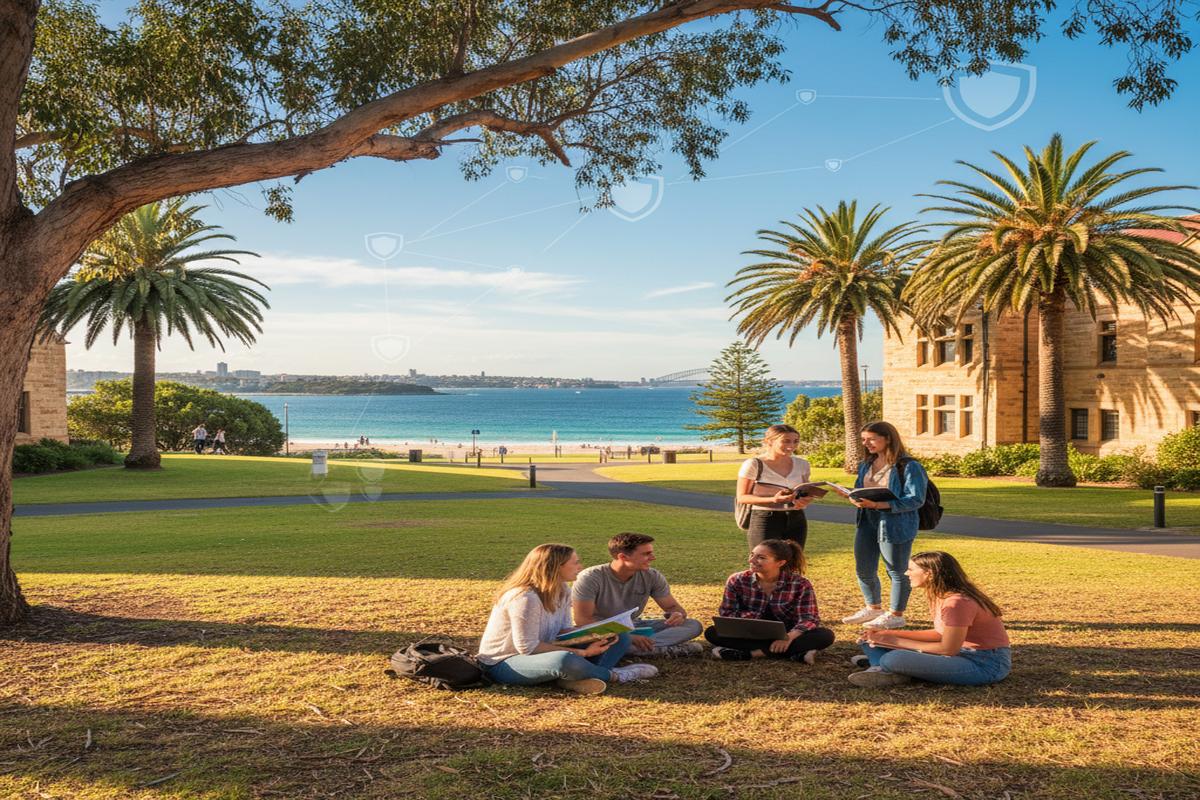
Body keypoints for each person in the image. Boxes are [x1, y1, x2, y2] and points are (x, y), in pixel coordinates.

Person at [477, 543, 659, 694]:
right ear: (555, 567)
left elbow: (563, 631)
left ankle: (574, 678)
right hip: (505, 662)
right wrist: (582, 653)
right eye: (575, 563)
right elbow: (528, 647)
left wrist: (597, 634)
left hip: (544, 651)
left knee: (620, 638)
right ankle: (614, 676)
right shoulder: (525, 598)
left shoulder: (563, 589)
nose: (580, 567)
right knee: (564, 660)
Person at [848, 551, 1011, 688]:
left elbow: (948, 649)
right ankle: (884, 667)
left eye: (911, 569)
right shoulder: (942, 596)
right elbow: (940, 634)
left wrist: (894, 641)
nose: (906, 573)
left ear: (930, 573)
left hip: (983, 664)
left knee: (893, 658)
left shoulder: (957, 603)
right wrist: (887, 634)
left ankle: (883, 666)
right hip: (958, 655)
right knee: (868, 640)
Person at [841, 421, 929, 631]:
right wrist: (853, 497)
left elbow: (916, 499)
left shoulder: (909, 466)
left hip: (895, 523)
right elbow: (859, 488)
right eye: (863, 439)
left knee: (896, 570)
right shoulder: (866, 464)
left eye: (871, 439)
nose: (866, 443)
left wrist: (880, 504)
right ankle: (873, 608)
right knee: (863, 568)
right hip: (867, 521)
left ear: (888, 438)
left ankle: (896, 615)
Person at [572, 533, 704, 658]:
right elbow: (583, 621)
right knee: (603, 640)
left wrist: (678, 615)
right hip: (600, 632)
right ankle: (653, 648)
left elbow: (673, 607)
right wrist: (626, 637)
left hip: (633, 626)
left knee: (693, 625)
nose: (653, 557)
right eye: (646, 554)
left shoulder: (652, 576)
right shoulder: (590, 578)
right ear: (623, 557)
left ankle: (632, 649)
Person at [704, 539, 835, 663]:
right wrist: (753, 619)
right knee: (712, 632)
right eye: (752, 555)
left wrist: (788, 638)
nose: (752, 560)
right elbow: (726, 613)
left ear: (780, 563)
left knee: (825, 635)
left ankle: (750, 654)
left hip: (789, 631)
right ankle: (796, 653)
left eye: (761, 558)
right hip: (750, 631)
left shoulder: (800, 584)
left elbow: (809, 618)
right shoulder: (737, 580)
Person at [735, 424, 814, 550]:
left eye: (796, 441)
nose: (792, 445)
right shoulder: (753, 464)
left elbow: (805, 491)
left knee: (794, 564)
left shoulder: (802, 464)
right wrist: (773, 500)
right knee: (764, 564)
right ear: (769, 441)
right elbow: (742, 497)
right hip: (765, 520)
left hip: (796, 518)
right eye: (786, 441)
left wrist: (805, 499)